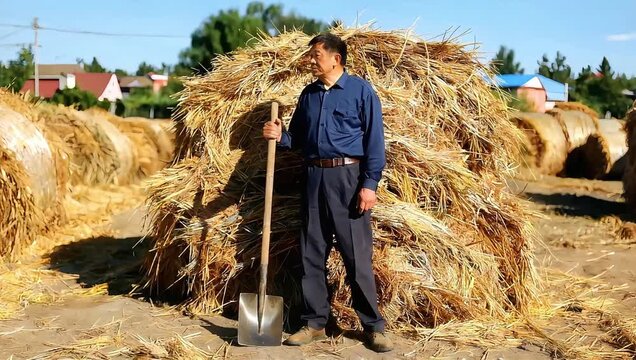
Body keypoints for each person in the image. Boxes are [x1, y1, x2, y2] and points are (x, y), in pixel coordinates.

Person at [262, 32, 392, 353]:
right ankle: (315, 323)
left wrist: (369, 184)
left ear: (336, 58)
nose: (311, 59)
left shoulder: (361, 92)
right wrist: (281, 136)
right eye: (311, 54)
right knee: (311, 254)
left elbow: (375, 142)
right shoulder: (308, 95)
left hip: (348, 179)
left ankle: (373, 327)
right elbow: (300, 140)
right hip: (313, 177)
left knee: (356, 257)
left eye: (316, 54)